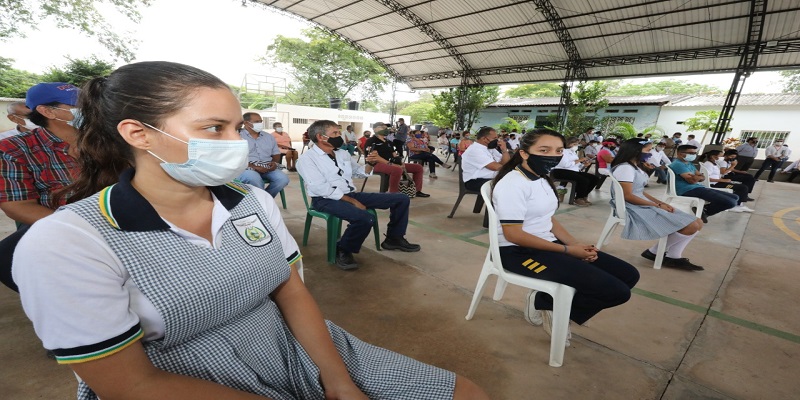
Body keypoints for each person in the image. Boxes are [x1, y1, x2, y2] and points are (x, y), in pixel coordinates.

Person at [12, 61, 488, 400]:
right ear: (138, 134)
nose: (236, 144)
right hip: (180, 376)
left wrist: (337, 378)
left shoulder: (251, 203)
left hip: (288, 343)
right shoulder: (67, 244)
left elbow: (291, 292)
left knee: (464, 393)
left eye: (237, 127)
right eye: (214, 128)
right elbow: (129, 386)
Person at [492, 129, 639, 344]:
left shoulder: (541, 178)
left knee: (628, 275)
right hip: (517, 252)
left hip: (549, 244)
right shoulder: (512, 184)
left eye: (559, 150)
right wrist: (569, 251)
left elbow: (548, 219)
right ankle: (549, 305)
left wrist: (575, 244)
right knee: (616, 292)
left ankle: (550, 305)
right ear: (524, 153)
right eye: (544, 150)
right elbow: (513, 234)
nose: (553, 155)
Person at [298, 120, 424, 270]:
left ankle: (394, 238)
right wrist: (352, 202)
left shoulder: (342, 153)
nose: (339, 136)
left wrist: (371, 162)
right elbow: (320, 188)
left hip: (350, 194)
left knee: (401, 199)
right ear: (321, 137)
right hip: (325, 199)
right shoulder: (307, 159)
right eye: (335, 133)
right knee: (364, 218)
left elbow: (360, 173)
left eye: (339, 132)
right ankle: (343, 249)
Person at [610, 138, 705, 271]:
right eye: (648, 150)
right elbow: (628, 196)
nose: (650, 154)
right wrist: (657, 206)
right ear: (635, 151)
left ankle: (669, 255)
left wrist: (660, 202)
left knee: (698, 222)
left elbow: (639, 191)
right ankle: (660, 253)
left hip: (641, 203)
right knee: (690, 225)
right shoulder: (625, 168)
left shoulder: (635, 166)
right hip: (632, 208)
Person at [0, 82, 81, 227]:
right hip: (59, 231)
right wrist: (82, 226)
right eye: (79, 106)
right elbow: (18, 206)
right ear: (48, 112)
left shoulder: (110, 139)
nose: (93, 109)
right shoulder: (12, 149)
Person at [669, 145, 738, 222]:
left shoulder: (689, 164)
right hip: (687, 189)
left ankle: (704, 210)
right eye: (691, 153)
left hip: (697, 187)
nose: (693, 155)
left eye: (695, 153)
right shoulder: (678, 164)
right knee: (731, 202)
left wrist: (698, 177)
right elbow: (692, 181)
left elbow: (703, 177)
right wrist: (698, 177)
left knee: (735, 197)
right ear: (680, 154)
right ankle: (706, 212)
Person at [364, 122, 429, 197]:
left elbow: (394, 155)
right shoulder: (372, 141)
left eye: (386, 127)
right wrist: (392, 164)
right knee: (396, 170)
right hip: (374, 165)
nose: (386, 129)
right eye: (383, 127)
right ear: (375, 129)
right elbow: (375, 158)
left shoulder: (388, 142)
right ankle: (394, 194)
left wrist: (401, 163)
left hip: (391, 163)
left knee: (418, 168)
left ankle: (416, 191)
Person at [236, 113, 290, 198]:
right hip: (246, 167)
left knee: (283, 179)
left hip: (267, 166)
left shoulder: (268, 137)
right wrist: (254, 167)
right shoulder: (237, 136)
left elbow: (276, 153)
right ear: (246, 123)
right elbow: (234, 158)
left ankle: (266, 199)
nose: (260, 124)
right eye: (256, 121)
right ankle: (263, 202)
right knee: (254, 178)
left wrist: (274, 163)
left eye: (261, 121)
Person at [551, 137, 598, 206]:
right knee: (584, 180)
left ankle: (584, 196)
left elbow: (578, 167)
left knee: (594, 178)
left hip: (573, 171)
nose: (576, 146)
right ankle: (578, 198)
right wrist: (579, 160)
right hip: (560, 171)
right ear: (569, 144)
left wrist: (584, 165)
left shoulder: (573, 153)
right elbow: (565, 164)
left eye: (577, 144)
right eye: (574, 144)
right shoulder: (563, 151)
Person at [461, 126, 510, 191]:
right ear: (484, 138)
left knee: (517, 182)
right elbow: (496, 167)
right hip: (475, 181)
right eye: (495, 138)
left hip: (491, 178)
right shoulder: (475, 150)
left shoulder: (490, 148)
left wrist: (504, 150)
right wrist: (508, 168)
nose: (497, 140)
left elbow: (506, 162)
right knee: (510, 186)